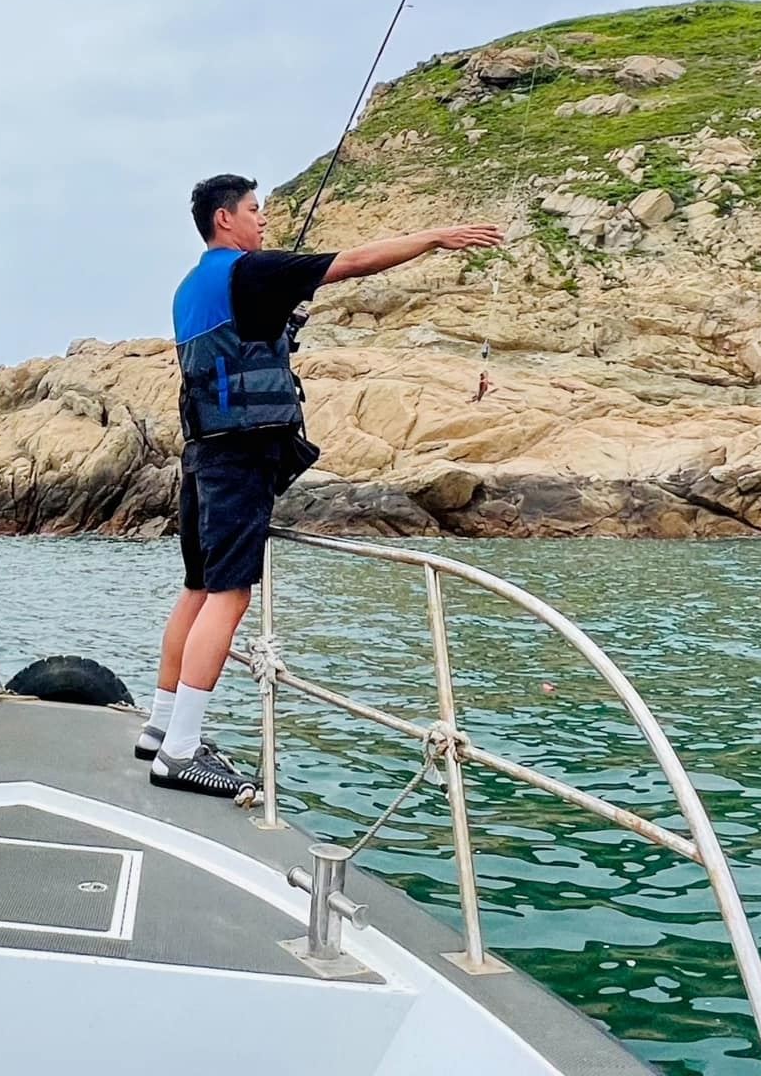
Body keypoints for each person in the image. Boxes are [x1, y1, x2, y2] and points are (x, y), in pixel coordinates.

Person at [141, 174, 501, 797]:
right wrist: (435, 237)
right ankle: (178, 752)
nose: (262, 220)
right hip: (240, 457)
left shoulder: (190, 287)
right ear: (225, 219)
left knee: (197, 588)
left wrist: (276, 329)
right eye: (254, 210)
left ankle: (160, 726)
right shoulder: (250, 271)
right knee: (229, 595)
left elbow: (233, 350)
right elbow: (355, 261)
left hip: (202, 452)